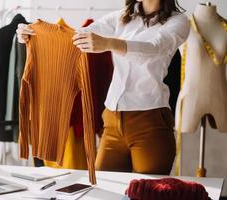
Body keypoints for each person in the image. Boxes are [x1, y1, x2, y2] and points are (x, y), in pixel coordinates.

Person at [16, 0, 190, 175]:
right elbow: (77, 36)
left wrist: (109, 44)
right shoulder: (122, 17)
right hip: (111, 121)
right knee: (104, 187)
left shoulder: (178, 21)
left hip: (150, 122)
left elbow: (155, 47)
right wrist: (34, 33)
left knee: (146, 191)